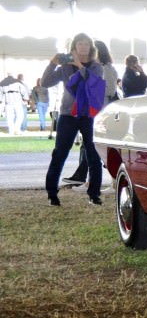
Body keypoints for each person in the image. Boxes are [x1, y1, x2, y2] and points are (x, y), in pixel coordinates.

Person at [42, 33, 105, 206]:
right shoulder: (65, 68)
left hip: (89, 116)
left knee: (93, 155)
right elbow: (45, 83)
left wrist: (79, 65)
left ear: (91, 48)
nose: (83, 47)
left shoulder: (96, 66)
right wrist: (52, 63)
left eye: (86, 44)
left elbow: (95, 83)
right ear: (74, 47)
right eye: (80, 44)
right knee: (60, 153)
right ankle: (52, 194)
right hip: (68, 115)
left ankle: (94, 194)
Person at [63, 40, 118, 191]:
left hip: (102, 112)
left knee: (103, 148)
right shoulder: (92, 69)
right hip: (92, 112)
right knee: (90, 147)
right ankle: (89, 181)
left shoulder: (106, 68)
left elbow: (110, 90)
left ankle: (114, 182)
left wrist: (93, 88)